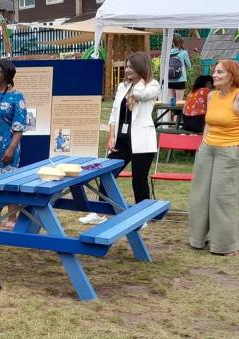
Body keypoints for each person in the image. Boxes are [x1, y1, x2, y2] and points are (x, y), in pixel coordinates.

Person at [188, 60, 239, 256]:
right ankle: (198, 239)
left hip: (229, 151)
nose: (214, 75)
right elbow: (209, 124)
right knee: (200, 196)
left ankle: (225, 245)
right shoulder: (212, 96)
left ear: (231, 76)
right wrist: (203, 144)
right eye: (215, 72)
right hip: (207, 149)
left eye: (219, 72)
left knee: (223, 198)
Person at [81, 53, 160, 225]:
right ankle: (100, 212)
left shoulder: (152, 85)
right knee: (107, 173)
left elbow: (140, 94)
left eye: (132, 67)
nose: (127, 70)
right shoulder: (122, 86)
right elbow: (114, 112)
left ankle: (142, 216)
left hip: (142, 141)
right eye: (127, 66)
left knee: (139, 179)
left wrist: (141, 80)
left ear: (141, 67)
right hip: (122, 140)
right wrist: (111, 136)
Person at [166, 35, 193, 103]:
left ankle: (169, 110)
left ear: (172, 43)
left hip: (169, 80)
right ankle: (177, 111)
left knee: (169, 102)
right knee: (179, 102)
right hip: (180, 80)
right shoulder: (184, 53)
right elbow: (189, 66)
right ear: (181, 43)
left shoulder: (168, 52)